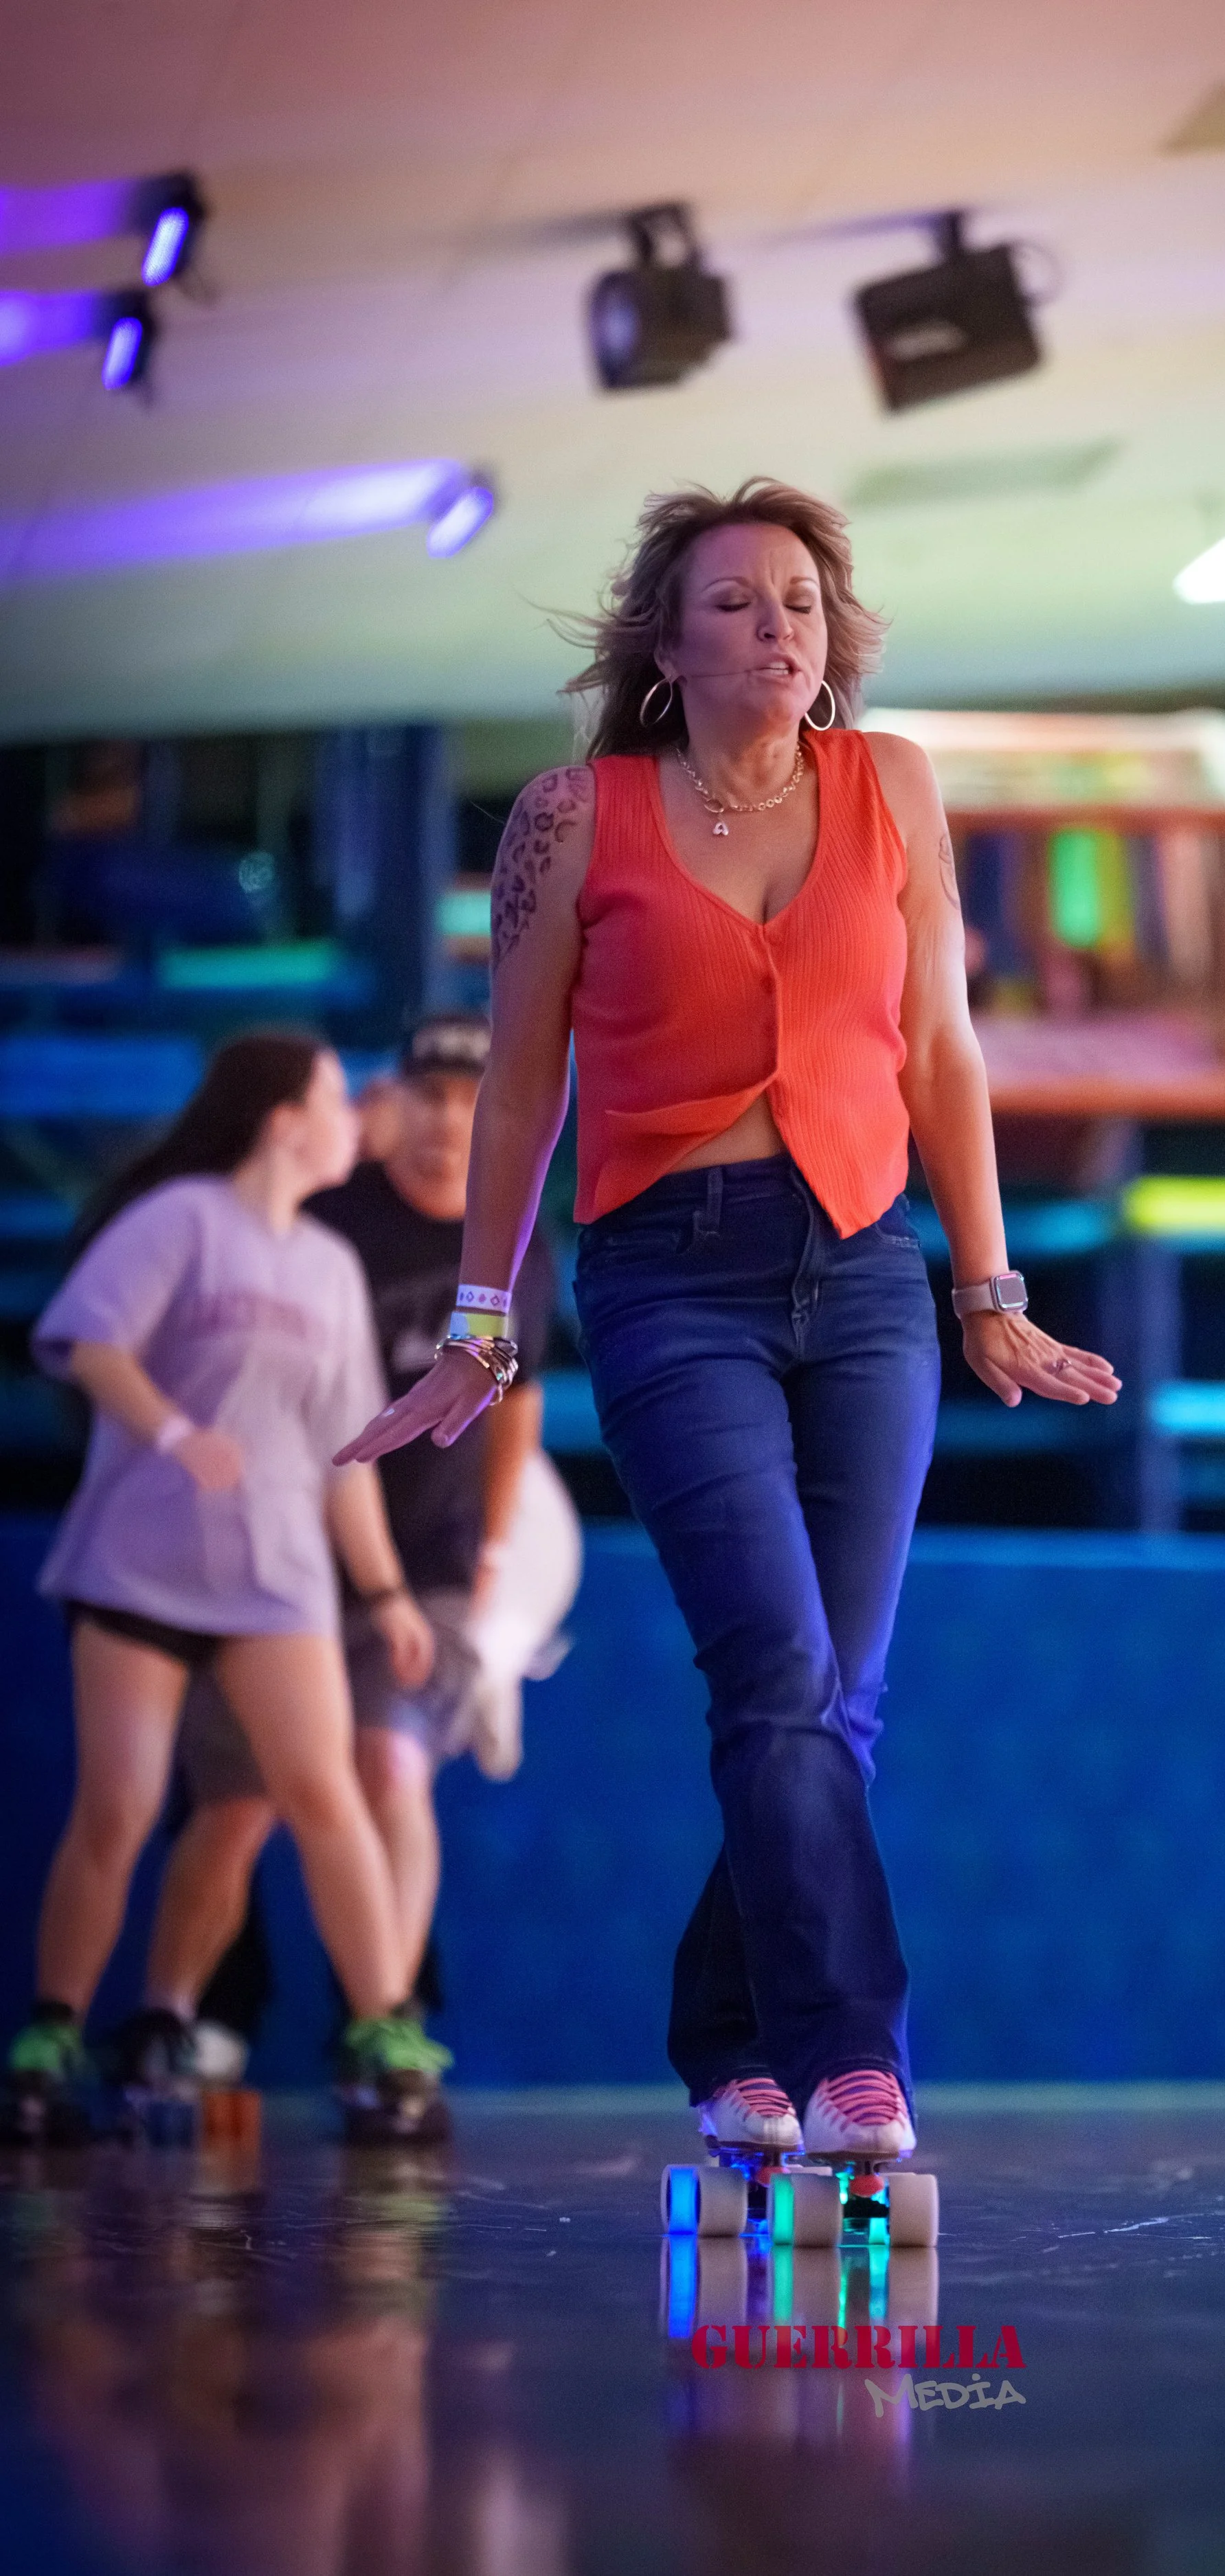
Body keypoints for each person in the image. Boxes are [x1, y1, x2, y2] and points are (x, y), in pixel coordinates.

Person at [338, 477, 1121, 2164]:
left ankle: (727, 2033)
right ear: (666, 644)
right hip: (667, 1278)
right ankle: (854, 2061)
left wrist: (987, 1288)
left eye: (799, 602)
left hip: (868, 1271)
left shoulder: (890, 784)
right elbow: (521, 1086)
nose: (776, 627)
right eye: (734, 602)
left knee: (833, 1695)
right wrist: (483, 1323)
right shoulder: (574, 815)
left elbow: (941, 1050)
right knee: (773, 1668)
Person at [1, 1030, 452, 2143]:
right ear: (283, 1119)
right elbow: (89, 1343)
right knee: (120, 1803)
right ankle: (53, 2034)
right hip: (142, 1566)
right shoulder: (183, 1220)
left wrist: (386, 1592)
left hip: (275, 1576)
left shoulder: (328, 1266)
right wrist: (173, 1432)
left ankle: (384, 2026)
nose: (357, 1116)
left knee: (323, 1792)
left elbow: (348, 1454)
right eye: (336, 1097)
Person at [142, 1013, 570, 2063]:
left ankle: (381, 2021)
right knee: (236, 1800)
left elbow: (517, 1408)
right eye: (429, 1096)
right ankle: (189, 2020)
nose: (448, 1122)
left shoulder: (520, 1243)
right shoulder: (326, 1214)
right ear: (390, 1105)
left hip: (428, 1567)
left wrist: (493, 1559)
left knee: (389, 1767)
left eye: (474, 1102)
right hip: (281, 1556)